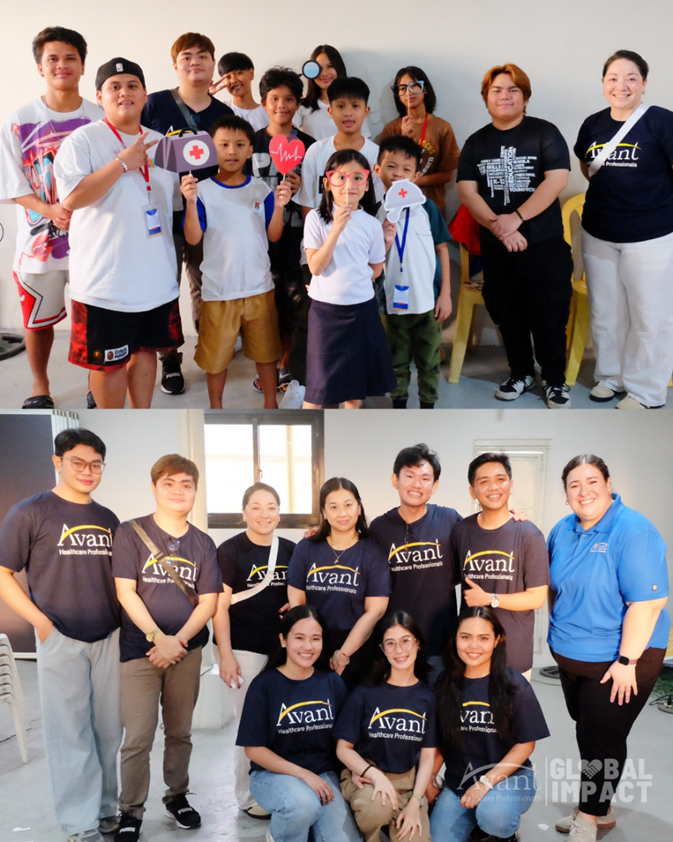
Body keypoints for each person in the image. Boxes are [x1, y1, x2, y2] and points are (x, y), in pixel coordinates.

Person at [0, 428, 120, 842]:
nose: (87, 471)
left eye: (96, 464)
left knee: (108, 730)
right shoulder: (29, 512)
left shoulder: (107, 519)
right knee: (69, 732)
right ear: (58, 462)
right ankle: (79, 823)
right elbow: (3, 576)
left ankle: (106, 810)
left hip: (108, 636)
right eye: (78, 462)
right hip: (59, 638)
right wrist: (41, 623)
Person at [548, 454, 669, 841]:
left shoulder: (633, 530)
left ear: (609, 484)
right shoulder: (562, 529)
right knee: (588, 732)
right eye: (574, 485)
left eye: (592, 482)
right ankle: (602, 806)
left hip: (623, 660)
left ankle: (590, 815)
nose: (584, 492)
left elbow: (648, 604)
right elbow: (554, 588)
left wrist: (625, 660)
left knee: (602, 739)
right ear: (565, 493)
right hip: (574, 658)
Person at [54, 58, 183, 409]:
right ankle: (111, 420)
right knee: (106, 362)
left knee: (145, 352)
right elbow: (73, 198)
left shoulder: (162, 143)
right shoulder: (82, 141)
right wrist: (123, 163)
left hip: (155, 279)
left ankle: (142, 416)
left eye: (132, 85)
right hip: (104, 283)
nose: (124, 92)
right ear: (99, 96)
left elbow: (172, 203)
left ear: (144, 95)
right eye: (115, 86)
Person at [111, 454, 221, 842]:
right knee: (138, 735)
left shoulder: (203, 543)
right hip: (140, 653)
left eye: (186, 484)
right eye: (169, 483)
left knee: (180, 732)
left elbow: (208, 602)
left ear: (195, 490)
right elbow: (126, 592)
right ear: (154, 487)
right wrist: (159, 638)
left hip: (186, 654)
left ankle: (177, 797)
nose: (178, 491)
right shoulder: (130, 533)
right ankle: (131, 811)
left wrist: (178, 642)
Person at [457, 63, 573, 409]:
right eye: (497, 90)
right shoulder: (476, 142)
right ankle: (520, 372)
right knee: (509, 315)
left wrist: (517, 218)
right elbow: (467, 191)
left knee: (549, 315)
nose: (505, 96)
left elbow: (558, 180)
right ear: (485, 98)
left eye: (513, 90)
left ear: (525, 97)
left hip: (544, 244)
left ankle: (554, 379)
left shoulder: (544, 133)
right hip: (498, 247)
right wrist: (500, 226)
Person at [0, 26, 101, 410]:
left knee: (93, 315)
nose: (62, 65)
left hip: (93, 240)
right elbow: (11, 182)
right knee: (37, 320)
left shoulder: (98, 117)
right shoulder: (19, 120)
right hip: (38, 243)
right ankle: (39, 384)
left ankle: (97, 380)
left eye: (70, 58)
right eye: (52, 58)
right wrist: (50, 210)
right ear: (40, 67)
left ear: (82, 65)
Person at [574, 50, 673, 409]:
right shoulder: (593, 124)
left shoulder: (662, 122)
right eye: (613, 78)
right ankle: (610, 377)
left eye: (631, 77)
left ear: (644, 84)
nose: (622, 85)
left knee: (650, 317)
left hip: (651, 235)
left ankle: (645, 391)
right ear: (603, 84)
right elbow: (589, 167)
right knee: (606, 311)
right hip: (599, 232)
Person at [141, 32, 234, 395]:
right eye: (187, 56)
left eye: (203, 56)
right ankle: (170, 359)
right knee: (165, 285)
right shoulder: (155, 104)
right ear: (175, 64)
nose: (195, 62)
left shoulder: (223, 112)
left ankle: (208, 350)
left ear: (213, 63)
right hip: (161, 211)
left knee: (203, 282)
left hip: (206, 212)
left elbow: (230, 162)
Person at [181, 115, 290, 409]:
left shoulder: (261, 190)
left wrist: (279, 206)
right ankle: (216, 407)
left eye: (239, 145)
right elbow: (193, 238)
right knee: (216, 360)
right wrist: (190, 202)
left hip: (258, 288)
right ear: (210, 148)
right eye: (224, 144)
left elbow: (274, 234)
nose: (231, 151)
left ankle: (271, 405)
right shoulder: (201, 190)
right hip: (218, 291)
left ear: (249, 150)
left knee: (266, 354)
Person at [236, 604, 361, 842]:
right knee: (302, 806)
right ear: (283, 640)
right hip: (273, 775)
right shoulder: (264, 685)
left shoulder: (331, 682)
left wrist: (355, 770)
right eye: (299, 638)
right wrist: (303, 774)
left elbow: (346, 738)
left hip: (323, 774)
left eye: (315, 638)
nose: (308, 646)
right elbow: (253, 749)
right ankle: (278, 835)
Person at [429, 607, 550, 842]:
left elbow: (525, 745)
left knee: (495, 817)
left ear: (496, 640)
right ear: (455, 639)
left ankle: (501, 833)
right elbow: (441, 742)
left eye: (483, 638)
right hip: (460, 783)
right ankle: (478, 825)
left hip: (510, 778)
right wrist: (427, 782)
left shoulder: (514, 685)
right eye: (465, 637)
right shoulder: (444, 684)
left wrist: (485, 783)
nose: (473, 646)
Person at [213, 482, 295, 818]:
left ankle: (276, 786)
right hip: (242, 648)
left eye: (271, 506)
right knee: (249, 722)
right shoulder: (230, 550)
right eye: (256, 507)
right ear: (244, 512)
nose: (264, 514)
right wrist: (226, 654)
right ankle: (247, 796)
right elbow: (219, 608)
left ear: (279, 512)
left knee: (281, 723)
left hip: (281, 650)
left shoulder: (291, 549)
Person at [301, 148, 395, 408]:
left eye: (357, 177)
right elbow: (316, 267)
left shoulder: (372, 225)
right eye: (339, 177)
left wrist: (386, 242)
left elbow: (375, 269)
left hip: (361, 311)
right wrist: (337, 229)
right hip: (325, 312)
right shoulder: (316, 220)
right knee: (316, 391)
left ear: (366, 185)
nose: (348, 185)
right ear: (327, 183)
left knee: (354, 392)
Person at [335, 611, 436, 842]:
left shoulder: (427, 697)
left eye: (405, 641)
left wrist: (415, 801)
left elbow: (428, 756)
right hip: (367, 778)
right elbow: (343, 748)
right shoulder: (365, 692)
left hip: (407, 785)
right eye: (390, 643)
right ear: (382, 649)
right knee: (375, 809)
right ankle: (371, 835)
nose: (399, 650)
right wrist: (374, 775)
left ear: (417, 643)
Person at [450, 452, 549, 678]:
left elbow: (536, 597)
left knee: (512, 712)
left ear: (511, 485)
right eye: (483, 481)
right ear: (472, 491)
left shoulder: (529, 535)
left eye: (500, 479)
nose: (493, 487)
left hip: (513, 651)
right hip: (471, 651)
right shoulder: (461, 531)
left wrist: (490, 599)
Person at [248, 66, 315, 395]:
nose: (282, 105)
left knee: (293, 305)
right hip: (258, 239)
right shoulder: (250, 143)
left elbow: (321, 197)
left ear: (298, 103)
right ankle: (268, 364)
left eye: (289, 98)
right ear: (263, 102)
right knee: (264, 307)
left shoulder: (311, 146)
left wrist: (302, 188)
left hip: (299, 239)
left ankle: (286, 364)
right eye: (274, 98)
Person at [287, 477, 391, 687]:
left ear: (359, 508)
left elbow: (375, 611)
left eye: (348, 505)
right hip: (312, 645)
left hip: (357, 647)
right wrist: (307, 644)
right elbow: (297, 602)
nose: (342, 513)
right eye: (333, 507)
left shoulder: (373, 552)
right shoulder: (306, 549)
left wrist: (344, 653)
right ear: (324, 513)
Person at [374, 135, 452, 409]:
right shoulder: (375, 212)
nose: (398, 174)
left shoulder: (427, 209)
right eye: (391, 166)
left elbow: (442, 249)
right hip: (390, 304)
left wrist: (445, 295)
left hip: (427, 301)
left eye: (406, 170)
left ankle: (428, 405)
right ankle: (399, 404)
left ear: (417, 175)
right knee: (396, 360)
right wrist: (383, 239)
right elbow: (371, 262)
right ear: (377, 169)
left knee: (429, 360)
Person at [369, 444, 462, 671]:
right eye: (409, 476)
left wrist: (510, 517)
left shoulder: (450, 520)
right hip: (395, 646)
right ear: (395, 480)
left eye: (424, 478)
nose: (416, 484)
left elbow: (479, 544)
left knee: (438, 705)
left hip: (440, 644)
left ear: (435, 485)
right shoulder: (379, 528)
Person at [295, 76, 383, 214]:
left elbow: (377, 206)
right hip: (323, 234)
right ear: (331, 111)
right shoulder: (316, 151)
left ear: (366, 111)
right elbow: (308, 203)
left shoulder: (377, 155)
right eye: (341, 106)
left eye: (355, 106)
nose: (348, 113)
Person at [381, 66, 460, 217]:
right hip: (399, 208)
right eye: (402, 88)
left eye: (414, 86)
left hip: (432, 207)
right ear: (398, 95)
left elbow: (447, 175)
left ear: (425, 89)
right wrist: (403, 138)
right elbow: (384, 171)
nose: (409, 92)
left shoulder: (442, 127)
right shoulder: (391, 129)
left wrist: (412, 182)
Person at [293, 44, 370, 141]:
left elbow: (364, 142)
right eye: (319, 68)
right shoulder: (302, 107)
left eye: (330, 66)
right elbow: (287, 133)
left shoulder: (354, 105)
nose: (324, 73)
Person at [210, 51, 269, 131]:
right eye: (228, 77)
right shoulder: (221, 110)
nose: (233, 80)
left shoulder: (267, 113)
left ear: (251, 73)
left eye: (239, 73)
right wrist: (206, 95)